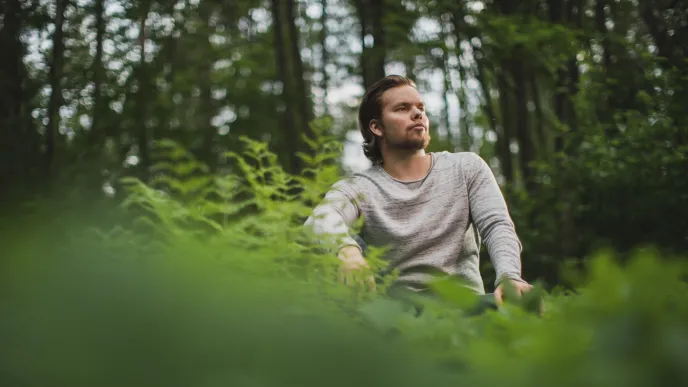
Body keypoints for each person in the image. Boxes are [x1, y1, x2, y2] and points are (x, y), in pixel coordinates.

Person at [303, 75, 532, 306]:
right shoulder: (359, 187)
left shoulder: (466, 167)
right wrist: (347, 252)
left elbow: (497, 225)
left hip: (468, 307)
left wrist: (509, 276)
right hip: (398, 319)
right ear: (377, 127)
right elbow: (319, 221)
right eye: (402, 108)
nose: (417, 113)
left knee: (527, 305)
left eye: (420, 107)